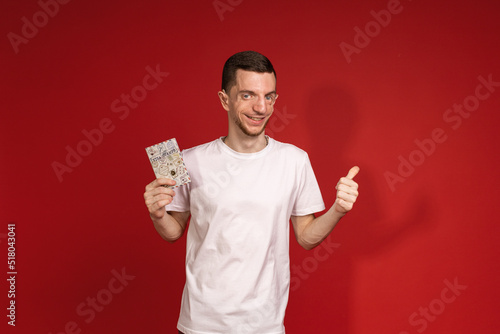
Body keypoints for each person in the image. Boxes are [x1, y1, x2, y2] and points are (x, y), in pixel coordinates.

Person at [143, 50, 359, 334]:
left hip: (264, 325)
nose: (261, 107)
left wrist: (337, 210)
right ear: (225, 99)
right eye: (247, 95)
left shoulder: (294, 160)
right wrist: (158, 214)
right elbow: (174, 231)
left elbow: (306, 237)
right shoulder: (188, 160)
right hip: (201, 324)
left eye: (268, 97)